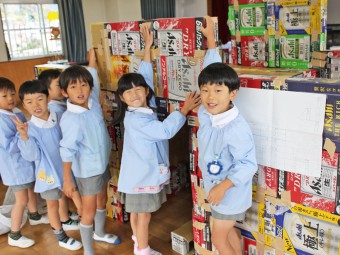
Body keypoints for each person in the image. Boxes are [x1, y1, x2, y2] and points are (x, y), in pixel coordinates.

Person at [115, 25, 201, 255]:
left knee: (136, 213)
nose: (135, 94)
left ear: (145, 92)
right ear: (122, 99)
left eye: (138, 90)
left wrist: (147, 49)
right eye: (128, 93)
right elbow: (164, 132)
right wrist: (183, 111)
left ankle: (137, 241)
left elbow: (145, 81)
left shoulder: (144, 106)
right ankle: (143, 250)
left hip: (136, 175)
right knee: (143, 215)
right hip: (140, 175)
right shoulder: (137, 120)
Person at [197, 17, 258, 255]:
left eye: (218, 91)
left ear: (233, 94)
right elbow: (210, 70)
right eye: (205, 90)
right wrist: (211, 39)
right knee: (228, 232)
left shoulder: (236, 128)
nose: (210, 96)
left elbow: (247, 163)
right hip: (217, 191)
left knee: (219, 238)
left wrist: (223, 186)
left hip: (229, 193)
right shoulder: (206, 113)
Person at [59, 48, 121, 255]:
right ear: (64, 93)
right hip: (86, 171)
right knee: (88, 210)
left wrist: (91, 61)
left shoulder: (92, 102)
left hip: (101, 163)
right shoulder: (71, 119)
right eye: (73, 86)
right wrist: (67, 180)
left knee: (102, 199)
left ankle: (100, 232)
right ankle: (88, 250)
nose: (80, 90)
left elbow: (91, 75)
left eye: (83, 85)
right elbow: (66, 151)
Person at [12, 80, 82, 251]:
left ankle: (86, 225)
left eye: (40, 99)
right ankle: (61, 236)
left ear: (47, 98)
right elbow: (31, 156)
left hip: (67, 169)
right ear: (23, 105)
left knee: (74, 195)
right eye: (29, 102)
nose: (36, 105)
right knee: (52, 204)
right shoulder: (28, 129)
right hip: (48, 174)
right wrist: (24, 137)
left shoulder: (58, 117)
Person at [0, 77, 49, 248]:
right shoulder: (1, 119)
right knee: (20, 200)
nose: (10, 98)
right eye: (4, 96)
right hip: (15, 167)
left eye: (12, 94)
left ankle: (34, 216)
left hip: (26, 163)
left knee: (31, 191)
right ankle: (14, 234)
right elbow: (9, 147)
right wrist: (22, 135)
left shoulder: (15, 111)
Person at [38, 69, 82, 220]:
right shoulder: (57, 110)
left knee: (63, 190)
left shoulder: (59, 106)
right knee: (73, 190)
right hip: (64, 158)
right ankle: (87, 221)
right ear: (47, 90)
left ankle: (66, 217)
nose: (63, 87)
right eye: (58, 85)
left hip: (62, 158)